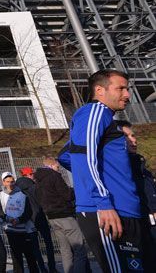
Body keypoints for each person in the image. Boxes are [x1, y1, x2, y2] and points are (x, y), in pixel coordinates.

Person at [59, 69, 146, 272]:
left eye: (128, 88)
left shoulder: (106, 119)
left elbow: (66, 154)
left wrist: (104, 171)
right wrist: (102, 201)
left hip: (125, 209)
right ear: (99, 90)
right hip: (106, 210)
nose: (127, 94)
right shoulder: (94, 112)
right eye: (121, 88)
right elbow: (83, 157)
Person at [34, 156, 89, 273]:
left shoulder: (38, 180)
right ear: (52, 165)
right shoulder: (54, 176)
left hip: (51, 218)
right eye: (57, 167)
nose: (58, 169)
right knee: (79, 250)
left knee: (65, 250)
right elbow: (67, 195)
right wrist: (74, 191)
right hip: (64, 215)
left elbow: (38, 198)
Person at [119, 121, 156, 271]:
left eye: (133, 135)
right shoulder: (122, 168)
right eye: (125, 136)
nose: (133, 140)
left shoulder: (141, 166)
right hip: (139, 228)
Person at [0, 172, 39, 273]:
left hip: (25, 230)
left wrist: (19, 220)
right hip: (10, 229)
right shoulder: (0, 195)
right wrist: (8, 218)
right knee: (16, 256)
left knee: (30, 255)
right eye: (7, 181)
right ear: (3, 182)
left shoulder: (23, 194)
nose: (10, 184)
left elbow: (28, 211)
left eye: (12, 181)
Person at [16, 166, 56, 273]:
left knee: (35, 247)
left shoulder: (17, 188)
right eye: (32, 174)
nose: (33, 175)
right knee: (48, 244)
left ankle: (42, 269)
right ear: (28, 175)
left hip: (28, 220)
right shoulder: (35, 187)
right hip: (40, 217)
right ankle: (52, 267)